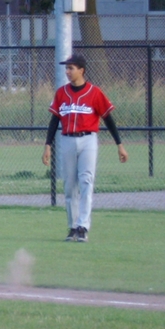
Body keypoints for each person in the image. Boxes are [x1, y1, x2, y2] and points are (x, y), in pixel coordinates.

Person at [42, 53, 128, 242]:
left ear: (81, 70)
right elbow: (54, 120)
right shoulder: (61, 93)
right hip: (67, 139)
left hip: (88, 139)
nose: (67, 71)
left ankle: (83, 226)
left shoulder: (94, 92)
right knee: (69, 185)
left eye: (71, 68)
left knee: (86, 181)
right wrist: (47, 145)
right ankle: (73, 227)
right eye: (66, 68)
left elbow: (108, 119)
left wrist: (119, 145)